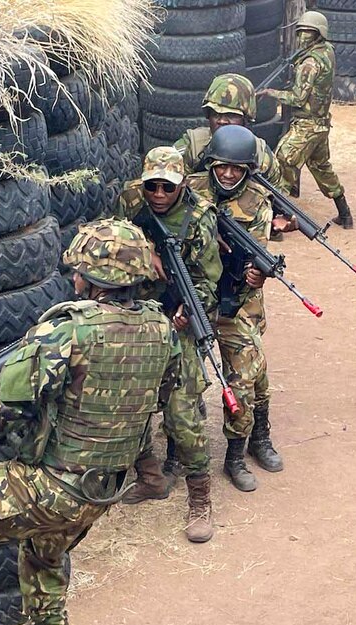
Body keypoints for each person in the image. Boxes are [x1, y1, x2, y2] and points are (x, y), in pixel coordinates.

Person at [0, 219, 181, 625]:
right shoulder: (160, 330)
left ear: (90, 277)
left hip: (51, 486)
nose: (72, 281)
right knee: (43, 559)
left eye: (78, 272)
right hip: (100, 494)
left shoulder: (69, 329)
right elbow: (170, 394)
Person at [113, 147, 223, 543]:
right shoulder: (130, 201)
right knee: (129, 402)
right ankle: (151, 477)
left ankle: (200, 499)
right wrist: (147, 257)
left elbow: (209, 282)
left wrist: (188, 313)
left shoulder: (199, 218)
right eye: (152, 186)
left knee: (181, 413)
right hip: (135, 315)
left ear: (181, 186)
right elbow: (110, 247)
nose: (158, 194)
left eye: (167, 187)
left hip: (178, 318)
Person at [186, 124, 283, 493]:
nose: (228, 174)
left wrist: (257, 274)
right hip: (195, 291)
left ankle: (241, 450)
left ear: (247, 170)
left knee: (248, 373)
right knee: (179, 373)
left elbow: (257, 250)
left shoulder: (258, 201)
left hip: (238, 298)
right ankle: (177, 451)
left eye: (237, 169)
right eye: (222, 166)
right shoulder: (189, 189)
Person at [258, 10, 354, 229]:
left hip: (307, 124)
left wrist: (272, 93)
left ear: (318, 34)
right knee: (321, 167)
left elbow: (298, 98)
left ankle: (278, 218)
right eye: (301, 31)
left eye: (308, 32)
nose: (303, 37)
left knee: (282, 159)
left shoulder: (309, 62)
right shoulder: (326, 51)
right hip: (321, 123)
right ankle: (345, 214)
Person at [174, 72, 283, 185]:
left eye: (231, 115)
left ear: (246, 119)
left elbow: (274, 196)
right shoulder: (192, 146)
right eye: (216, 114)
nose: (222, 121)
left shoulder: (261, 155)